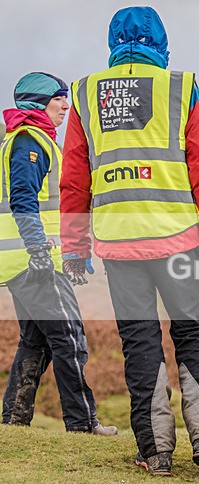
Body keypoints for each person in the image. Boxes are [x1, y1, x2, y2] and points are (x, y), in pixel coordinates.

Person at [60, 7, 199, 476]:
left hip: (119, 244)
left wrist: (74, 247)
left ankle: (156, 452)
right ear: (162, 42)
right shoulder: (181, 86)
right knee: (193, 334)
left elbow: (74, 180)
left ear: (112, 42)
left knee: (139, 343)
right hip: (177, 239)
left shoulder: (84, 93)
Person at [0, 72, 117, 437]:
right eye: (58, 99)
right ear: (38, 104)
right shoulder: (29, 142)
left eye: (65, 98)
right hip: (35, 261)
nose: (66, 105)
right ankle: (82, 424)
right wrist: (38, 249)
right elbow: (23, 199)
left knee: (36, 340)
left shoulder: (26, 140)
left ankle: (14, 421)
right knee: (69, 337)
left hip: (23, 260)